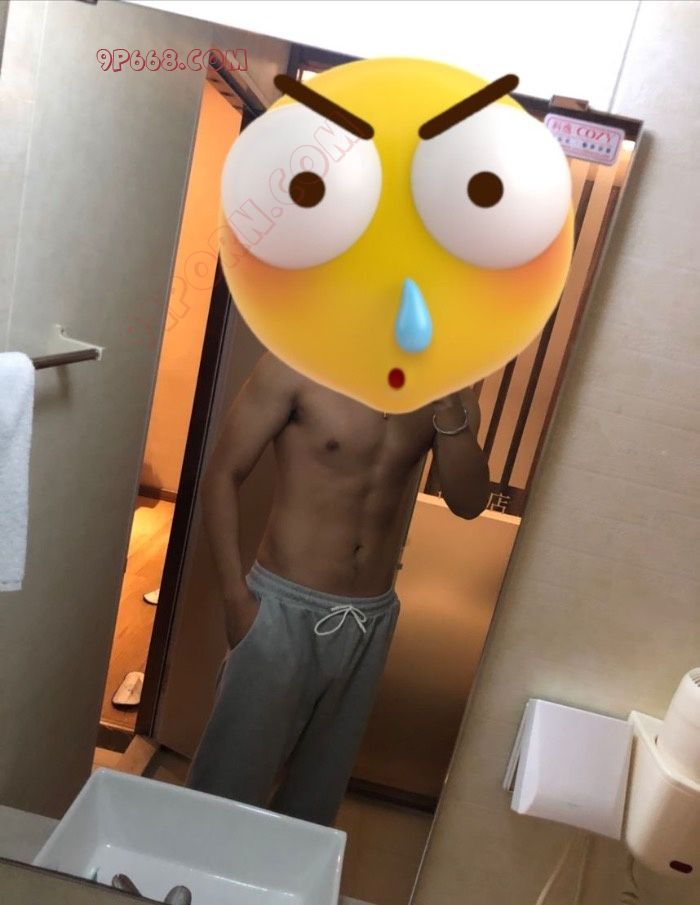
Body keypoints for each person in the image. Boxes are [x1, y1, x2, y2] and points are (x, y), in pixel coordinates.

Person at [185, 352, 490, 825]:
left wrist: (450, 411)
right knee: (227, 784)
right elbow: (222, 474)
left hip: (369, 620)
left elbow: (469, 503)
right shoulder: (295, 364)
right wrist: (236, 601)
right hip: (281, 610)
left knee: (314, 796)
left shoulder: (450, 392)